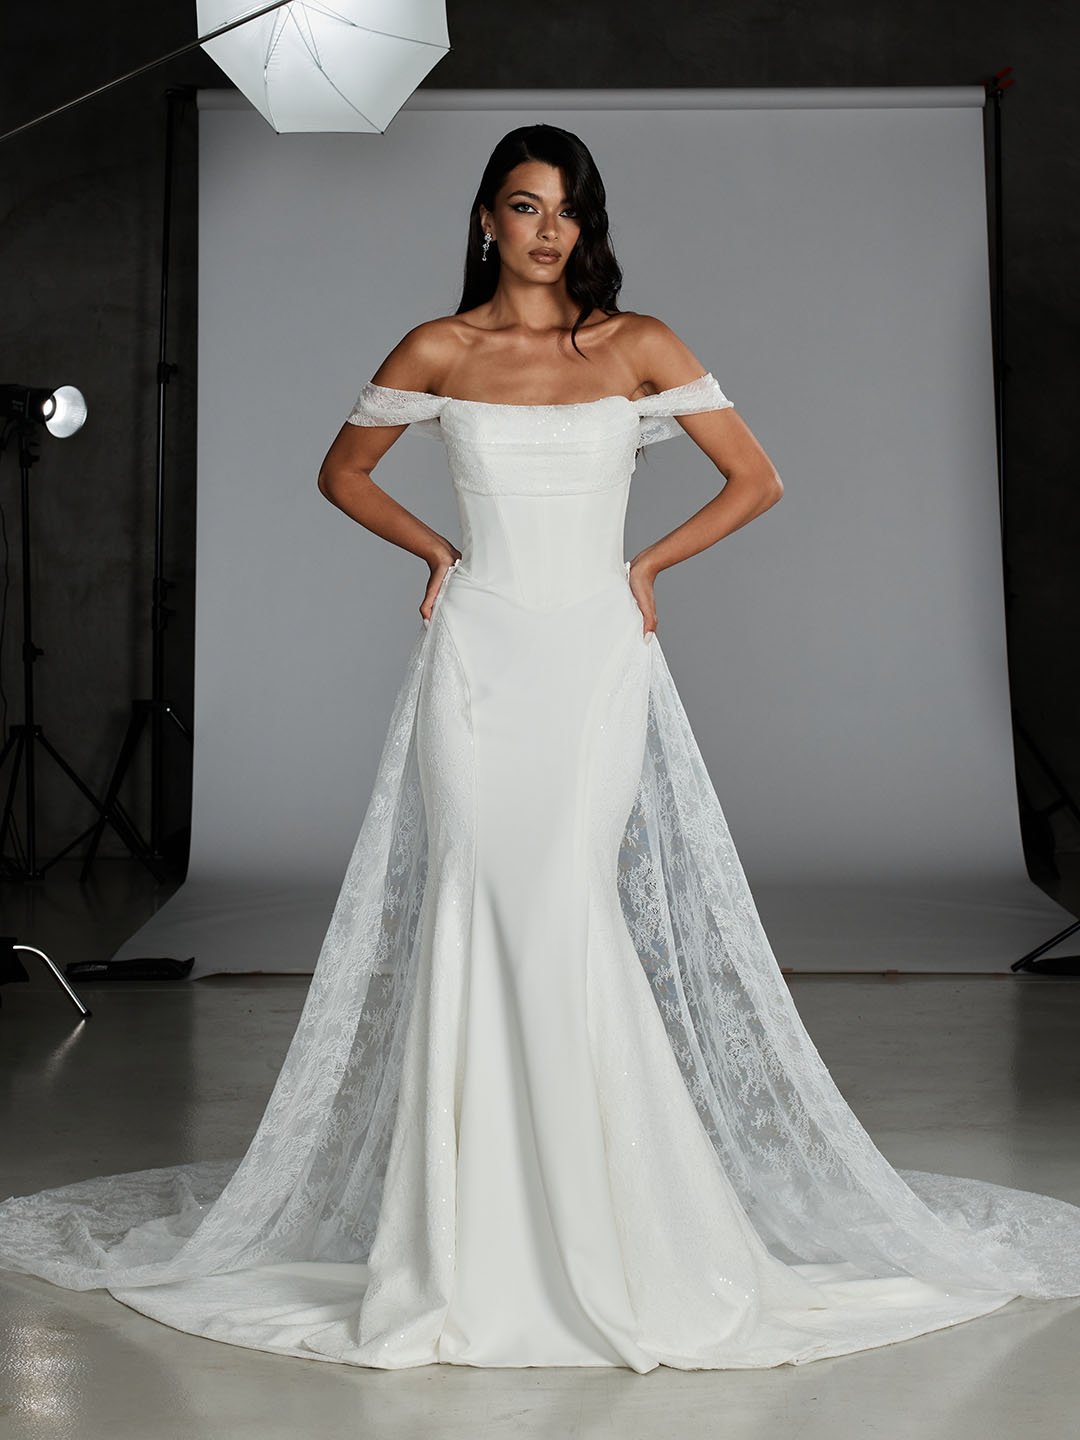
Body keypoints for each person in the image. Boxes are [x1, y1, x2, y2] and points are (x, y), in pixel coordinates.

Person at [1, 123, 1079, 1374]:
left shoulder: (636, 345)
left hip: (591, 658)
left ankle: (611, 1232)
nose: (547, 229)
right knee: (477, 901)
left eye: (566, 208)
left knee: (565, 906)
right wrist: (437, 552)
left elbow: (756, 480)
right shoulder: (438, 349)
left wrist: (646, 567)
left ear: (587, 224)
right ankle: (466, 1245)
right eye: (524, 205)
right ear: (486, 220)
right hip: (478, 655)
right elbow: (342, 473)